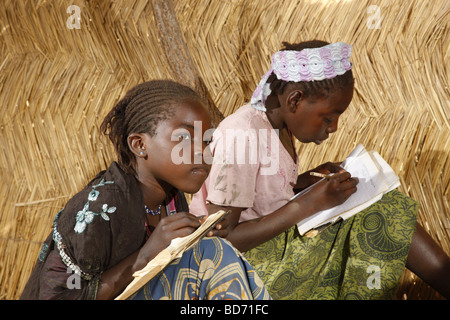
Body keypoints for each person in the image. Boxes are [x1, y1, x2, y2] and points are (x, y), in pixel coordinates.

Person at [190, 40, 450, 299]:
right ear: (295, 100)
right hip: (238, 272)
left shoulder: (277, 128)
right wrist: (308, 204)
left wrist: (305, 181)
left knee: (380, 205)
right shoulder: (242, 135)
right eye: (328, 117)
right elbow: (222, 238)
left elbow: (260, 194)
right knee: (382, 211)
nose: (334, 127)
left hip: (270, 249)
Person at [20, 80, 270, 300]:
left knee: (211, 250)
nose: (201, 152)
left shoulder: (171, 200)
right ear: (139, 144)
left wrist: (196, 235)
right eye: (184, 138)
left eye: (206, 141)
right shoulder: (101, 208)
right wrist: (145, 256)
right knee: (214, 253)